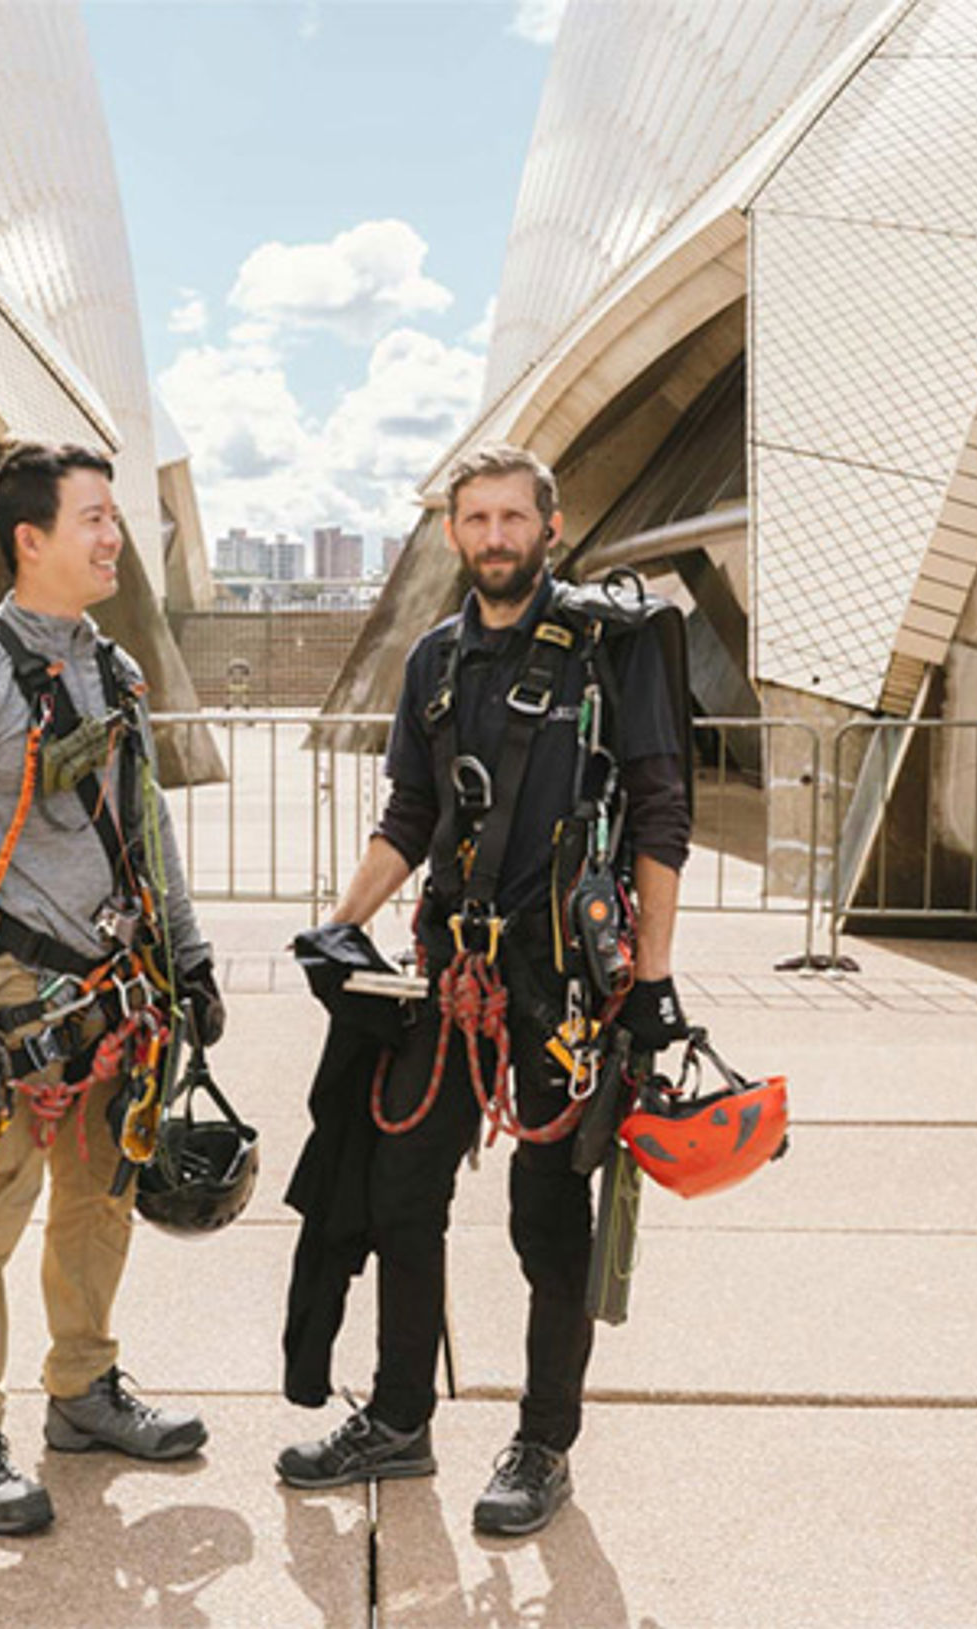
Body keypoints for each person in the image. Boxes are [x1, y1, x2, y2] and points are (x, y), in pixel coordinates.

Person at [276, 443, 691, 1537]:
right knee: (402, 1190)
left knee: (545, 1217)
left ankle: (543, 1442)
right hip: (449, 976)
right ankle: (401, 1419)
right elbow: (410, 814)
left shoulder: (614, 649)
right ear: (453, 532)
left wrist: (649, 980)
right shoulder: (433, 660)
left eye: (515, 517)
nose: (496, 537)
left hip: (564, 983)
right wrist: (341, 919)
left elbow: (659, 815)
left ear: (550, 528)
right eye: (477, 519)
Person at [0, 441, 226, 1537]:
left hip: (117, 988)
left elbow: (148, 823)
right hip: (10, 998)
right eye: (91, 518)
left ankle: (82, 1391)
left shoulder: (113, 671)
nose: (112, 536)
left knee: (99, 1199)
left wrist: (187, 955)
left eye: (114, 517)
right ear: (27, 538)